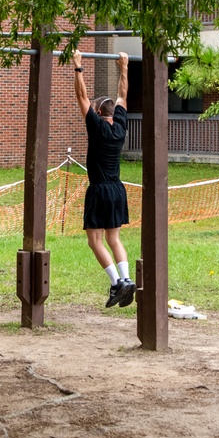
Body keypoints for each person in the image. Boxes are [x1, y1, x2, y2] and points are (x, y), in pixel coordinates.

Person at [73, 50, 136, 308]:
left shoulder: (97, 127)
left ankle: (115, 283)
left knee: (94, 241)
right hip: (118, 190)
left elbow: (81, 96)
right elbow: (122, 95)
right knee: (114, 239)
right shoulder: (120, 127)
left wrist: (78, 66)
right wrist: (125, 66)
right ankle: (127, 279)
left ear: (99, 112)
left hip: (99, 190)